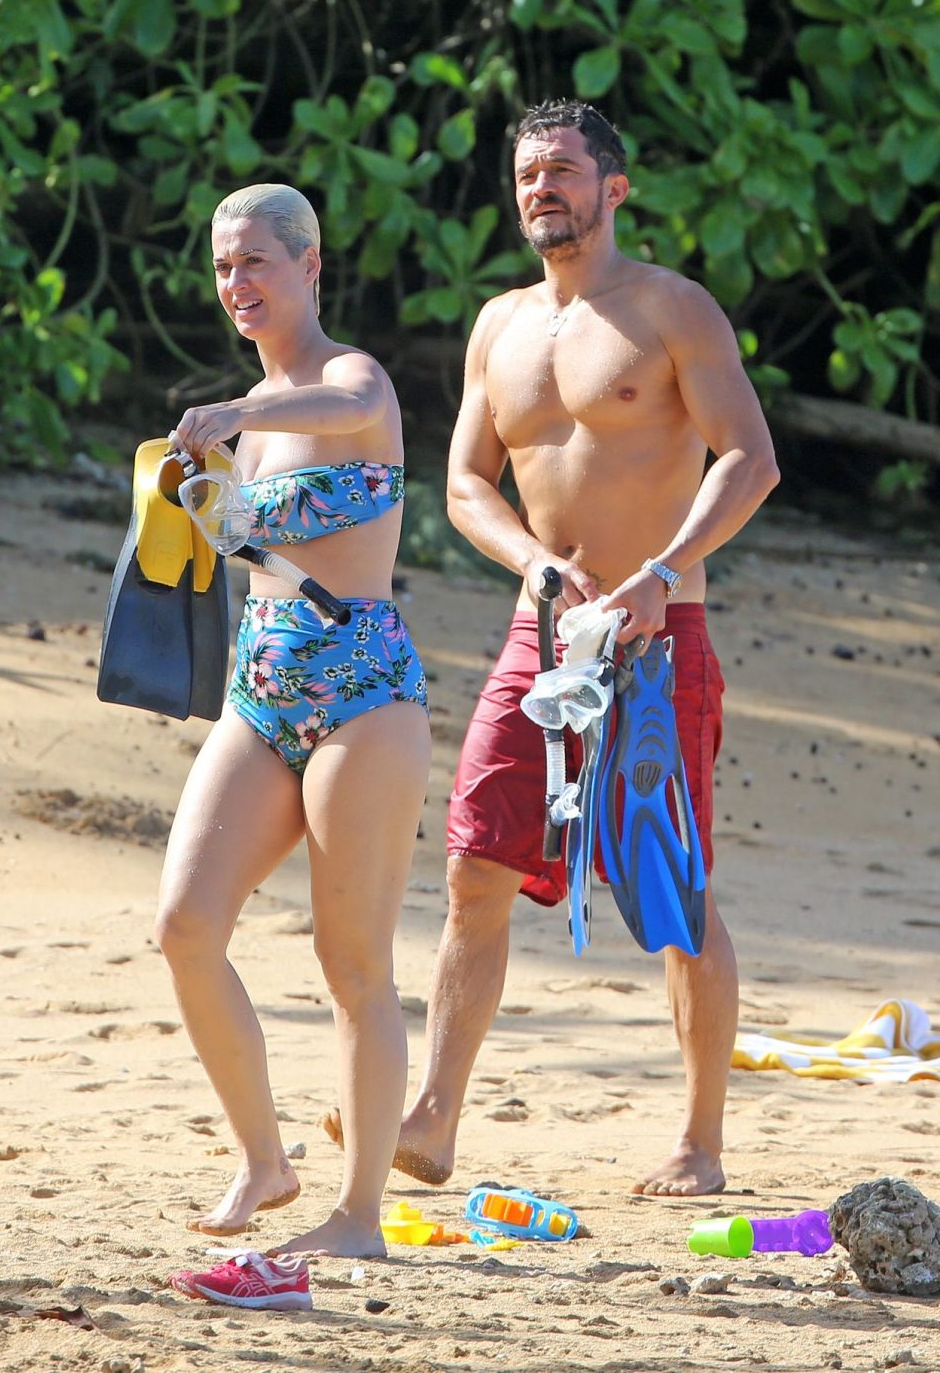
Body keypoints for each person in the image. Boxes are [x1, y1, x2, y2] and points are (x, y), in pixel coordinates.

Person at [324, 98, 779, 1196]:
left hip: (657, 641)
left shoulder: (672, 309)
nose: (543, 188)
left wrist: (663, 569)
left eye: (564, 170)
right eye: (529, 173)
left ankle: (700, 1143)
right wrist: (532, 561)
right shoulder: (500, 325)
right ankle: (433, 1116)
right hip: (541, 640)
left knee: (672, 884)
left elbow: (749, 459)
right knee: (476, 864)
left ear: (613, 187)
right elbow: (463, 485)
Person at [156, 183, 431, 1258]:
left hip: (364, 691)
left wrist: (237, 416)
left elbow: (343, 407)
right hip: (259, 685)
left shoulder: (350, 381)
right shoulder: (244, 419)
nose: (237, 283)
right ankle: (264, 1160)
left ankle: (358, 1216)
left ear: (310, 266)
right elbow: (241, 547)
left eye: (256, 262)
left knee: (352, 961)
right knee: (185, 926)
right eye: (224, 266)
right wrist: (189, 490)